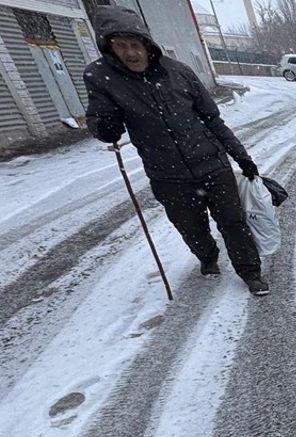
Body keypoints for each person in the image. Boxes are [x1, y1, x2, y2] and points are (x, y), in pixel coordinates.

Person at [83, 6, 270, 296]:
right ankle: (207, 256)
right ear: (110, 48)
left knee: (233, 222)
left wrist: (241, 156)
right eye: (121, 46)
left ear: (147, 45)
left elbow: (212, 119)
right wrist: (104, 124)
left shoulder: (179, 72)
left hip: (212, 164)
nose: (131, 53)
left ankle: (251, 272)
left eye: (135, 45)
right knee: (191, 228)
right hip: (167, 175)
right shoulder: (101, 77)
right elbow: (104, 124)